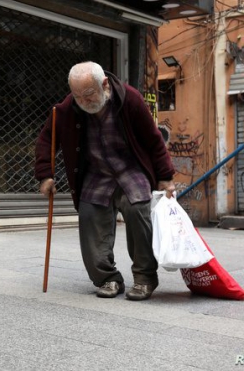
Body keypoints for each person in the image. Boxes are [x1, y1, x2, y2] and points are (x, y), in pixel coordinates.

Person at [34, 61, 175, 301]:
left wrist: (165, 177)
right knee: (89, 216)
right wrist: (45, 174)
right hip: (97, 173)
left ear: (105, 84)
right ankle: (107, 278)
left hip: (130, 169)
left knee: (137, 211)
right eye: (77, 95)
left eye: (88, 94)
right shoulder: (68, 107)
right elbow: (47, 139)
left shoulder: (129, 99)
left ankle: (144, 278)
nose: (84, 101)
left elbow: (153, 139)